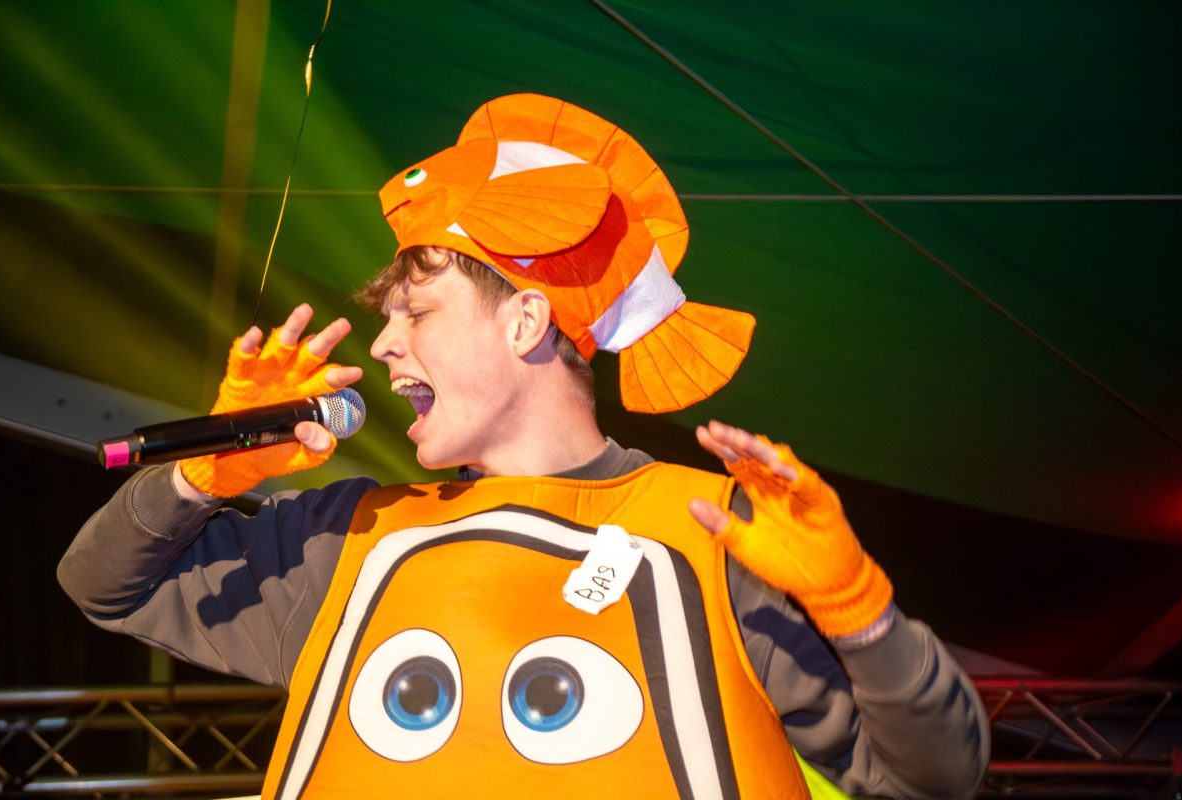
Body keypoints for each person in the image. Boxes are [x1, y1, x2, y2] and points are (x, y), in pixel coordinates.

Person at [60, 94, 988, 798]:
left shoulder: (711, 530)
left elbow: (933, 780)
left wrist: (859, 613)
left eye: (416, 312)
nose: (383, 347)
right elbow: (101, 586)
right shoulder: (353, 535)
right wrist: (200, 477)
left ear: (526, 322)